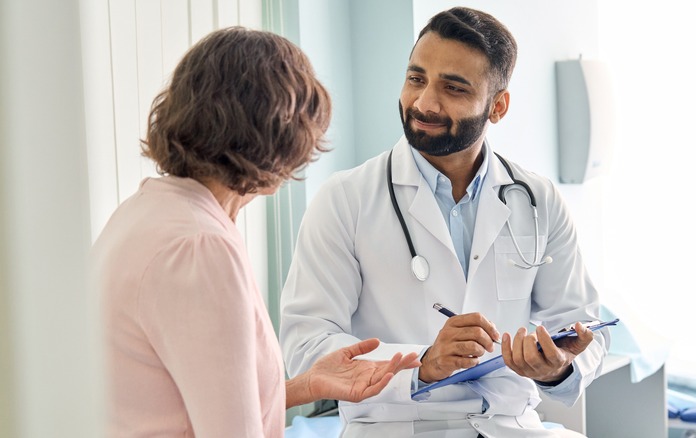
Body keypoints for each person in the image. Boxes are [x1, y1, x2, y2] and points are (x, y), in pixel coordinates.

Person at [280, 7, 609, 438]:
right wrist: (424, 362)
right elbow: (305, 348)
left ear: (498, 106)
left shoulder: (538, 200)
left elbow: (585, 328)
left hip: (511, 427)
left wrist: (557, 367)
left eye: (453, 88)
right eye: (416, 79)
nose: (424, 102)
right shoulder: (345, 200)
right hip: (395, 427)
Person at [90, 27, 420, 437]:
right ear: (278, 137)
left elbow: (189, 402)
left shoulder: (145, 211)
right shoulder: (200, 247)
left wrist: (308, 385)